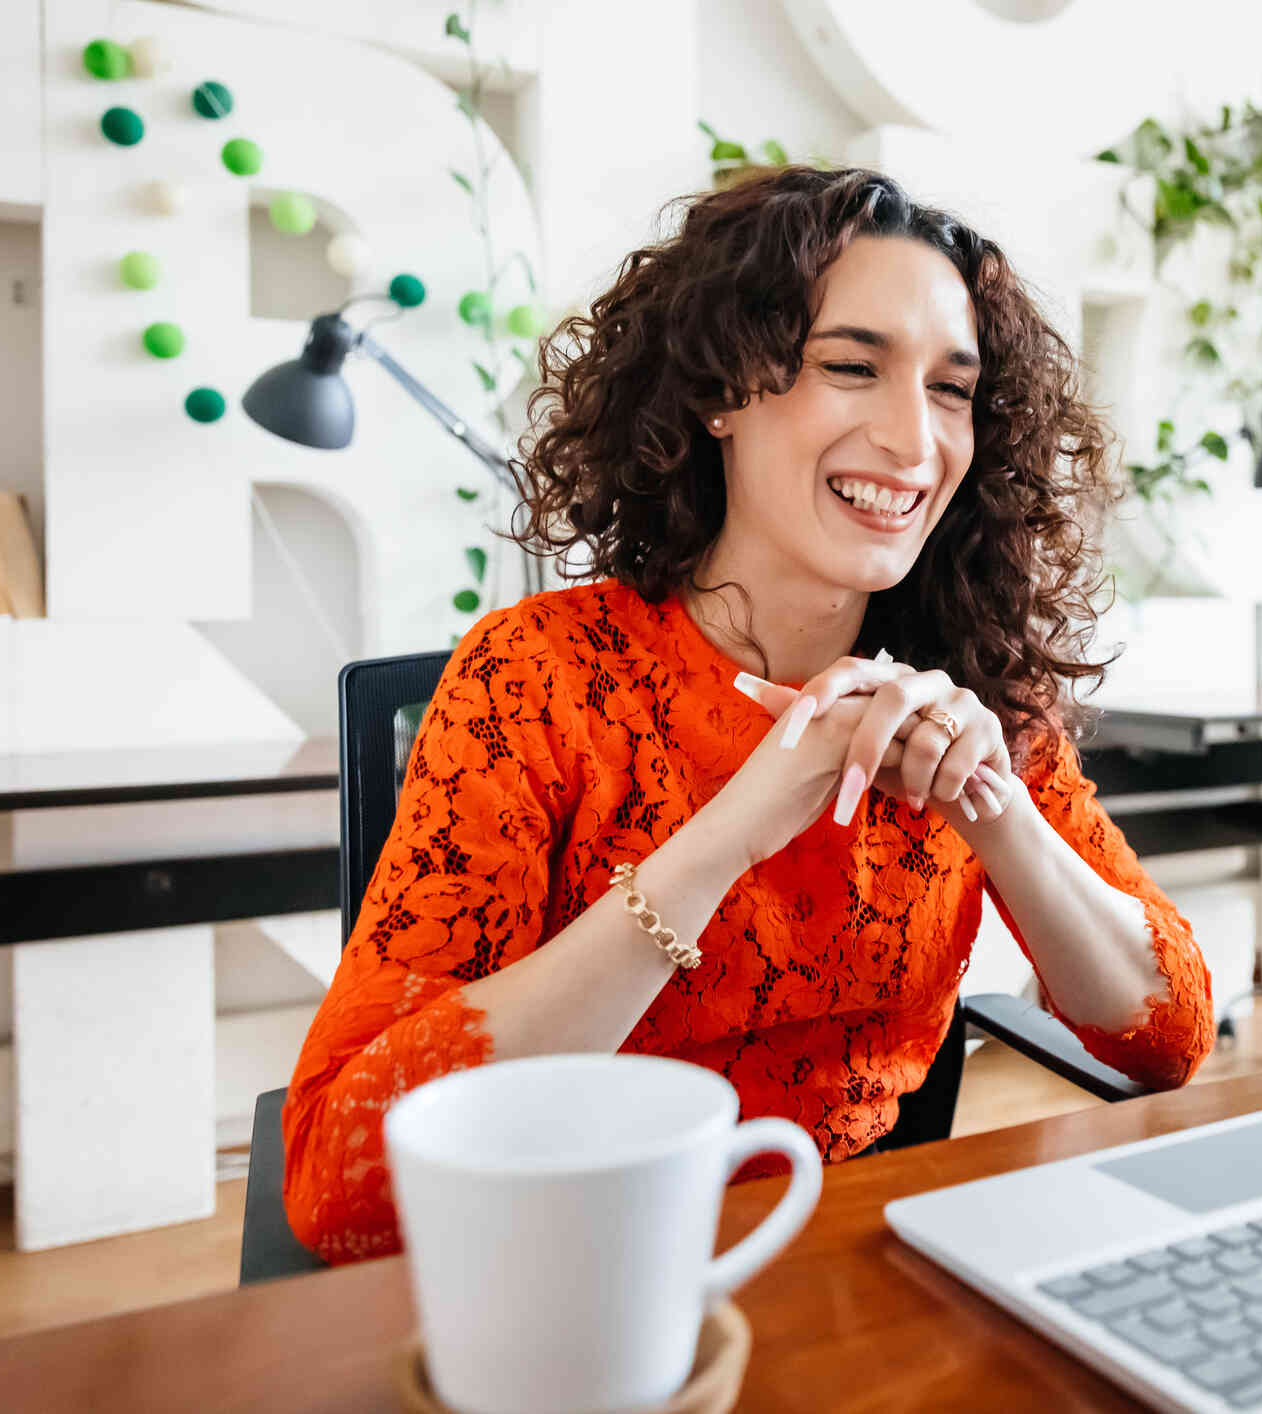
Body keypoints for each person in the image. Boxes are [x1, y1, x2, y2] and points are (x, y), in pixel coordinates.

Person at [281, 166, 1215, 1262]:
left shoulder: (973, 685)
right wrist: (733, 832)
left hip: (863, 1267)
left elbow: (1171, 1038)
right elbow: (337, 1184)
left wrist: (993, 804)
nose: (915, 441)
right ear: (719, 390)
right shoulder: (536, 680)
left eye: (952, 389)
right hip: (582, 1267)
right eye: (851, 366)